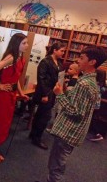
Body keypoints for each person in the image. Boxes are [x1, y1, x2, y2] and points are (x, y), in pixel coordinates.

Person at [47, 46, 107, 182]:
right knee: (56, 163)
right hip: (71, 132)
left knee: (56, 166)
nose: (77, 60)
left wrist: (60, 95)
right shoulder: (89, 81)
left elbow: (76, 112)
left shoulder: (85, 83)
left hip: (68, 132)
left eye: (81, 58)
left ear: (92, 62)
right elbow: (79, 104)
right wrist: (64, 91)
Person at [0, 33, 29, 163]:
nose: (26, 45)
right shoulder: (12, 57)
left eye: (26, 43)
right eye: (24, 43)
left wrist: (20, 94)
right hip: (3, 96)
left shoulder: (21, 58)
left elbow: (17, 79)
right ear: (17, 44)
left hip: (11, 95)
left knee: (5, 123)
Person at [29, 42, 66, 150]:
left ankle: (33, 134)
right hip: (45, 93)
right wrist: (45, 95)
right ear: (54, 50)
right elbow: (41, 79)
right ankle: (37, 138)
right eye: (61, 51)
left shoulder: (59, 62)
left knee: (40, 114)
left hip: (53, 92)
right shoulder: (45, 61)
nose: (63, 53)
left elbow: (59, 77)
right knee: (45, 116)